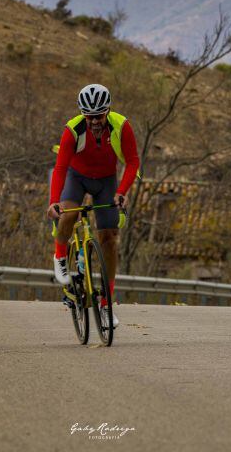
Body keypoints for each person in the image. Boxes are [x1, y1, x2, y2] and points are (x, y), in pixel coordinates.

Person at [48, 83, 140, 329]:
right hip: (76, 177)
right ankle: (60, 256)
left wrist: (122, 193)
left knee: (109, 237)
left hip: (107, 182)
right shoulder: (73, 129)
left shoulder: (122, 126)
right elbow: (59, 168)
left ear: (107, 110)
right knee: (69, 214)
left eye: (99, 115)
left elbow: (132, 162)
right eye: (89, 117)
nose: (95, 121)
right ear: (82, 114)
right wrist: (53, 201)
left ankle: (106, 305)